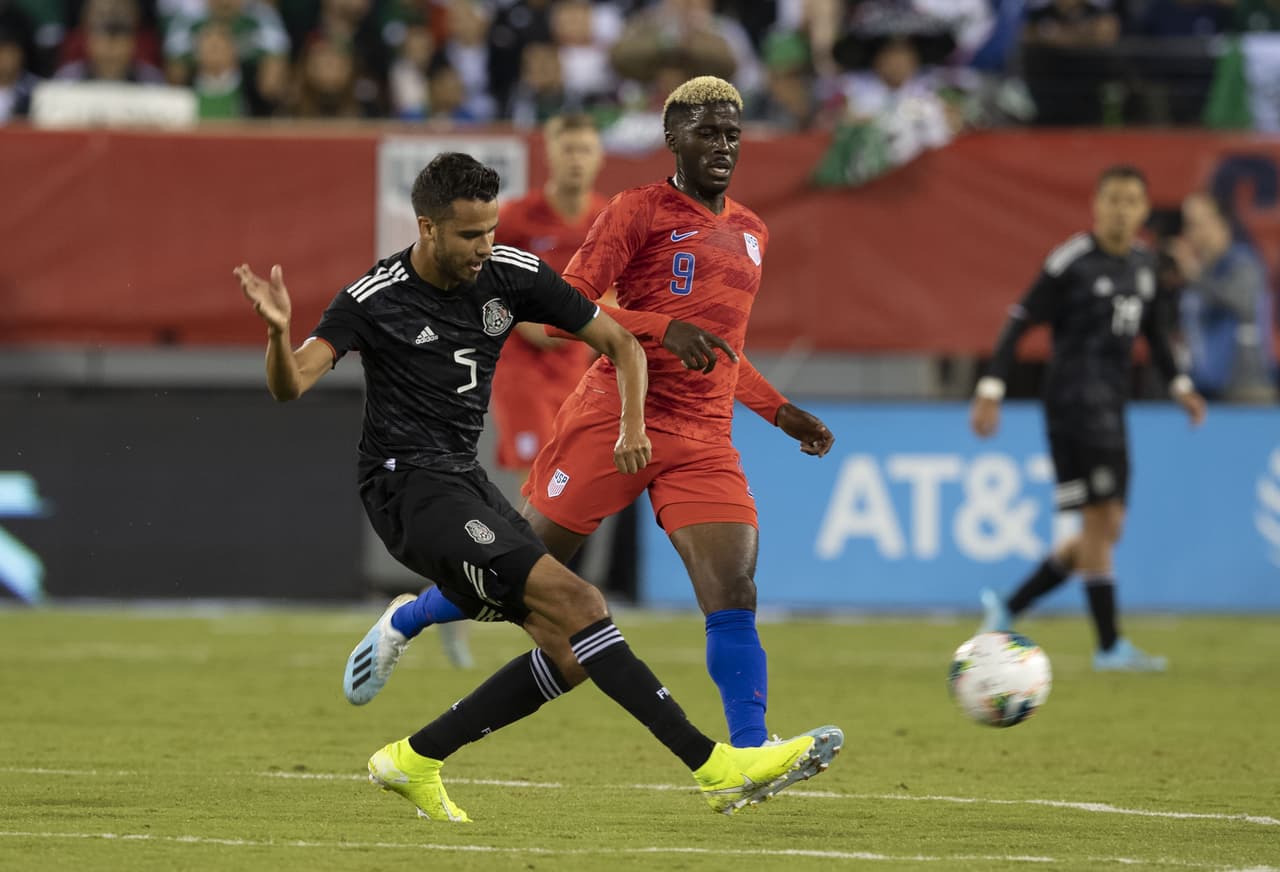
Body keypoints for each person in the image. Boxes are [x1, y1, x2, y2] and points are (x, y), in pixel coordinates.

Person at [234, 152, 841, 821]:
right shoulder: (373, 298)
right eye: (470, 235)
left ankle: (414, 758)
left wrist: (633, 423)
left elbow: (619, 339)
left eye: (492, 230)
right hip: (404, 488)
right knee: (581, 603)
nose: (485, 248)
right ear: (427, 228)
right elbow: (291, 382)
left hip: (463, 481)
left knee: (572, 652)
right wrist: (277, 331)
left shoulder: (509, 273)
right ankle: (715, 765)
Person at [523, 75, 835, 748]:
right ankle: (411, 617)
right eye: (707, 133)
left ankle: (751, 754)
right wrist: (659, 327)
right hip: (616, 416)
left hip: (702, 436)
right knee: (512, 574)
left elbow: (723, 352)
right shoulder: (639, 209)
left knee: (734, 590)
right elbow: (560, 310)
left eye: (732, 134)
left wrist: (780, 413)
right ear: (672, 138)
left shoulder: (752, 232)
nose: (723, 146)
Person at [971, 164, 1207, 672]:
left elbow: (1158, 337)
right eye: (1112, 200)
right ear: (1096, 206)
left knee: (1109, 527)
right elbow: (1019, 322)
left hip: (1113, 407)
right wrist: (992, 388)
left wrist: (1182, 387)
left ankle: (1010, 606)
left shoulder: (1145, 267)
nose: (1121, 209)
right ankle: (1109, 646)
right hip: (1072, 407)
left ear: (1144, 211)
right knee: (1100, 523)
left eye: (1131, 201)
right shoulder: (1072, 261)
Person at [490, 113, 608, 478]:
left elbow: (624, 291)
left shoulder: (609, 218)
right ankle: (521, 537)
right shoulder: (516, 218)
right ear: (550, 155)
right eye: (568, 149)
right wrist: (527, 322)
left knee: (570, 473)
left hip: (576, 365)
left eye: (584, 150)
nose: (576, 159)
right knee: (538, 471)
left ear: (599, 158)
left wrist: (580, 327)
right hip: (522, 365)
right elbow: (487, 282)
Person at [1172, 192, 1277, 404]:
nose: (1191, 231)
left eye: (1198, 222)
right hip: (1204, 388)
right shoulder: (1200, 272)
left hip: (1245, 390)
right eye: (1188, 223)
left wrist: (1194, 275)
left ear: (1221, 223)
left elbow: (1240, 302)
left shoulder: (1243, 263)